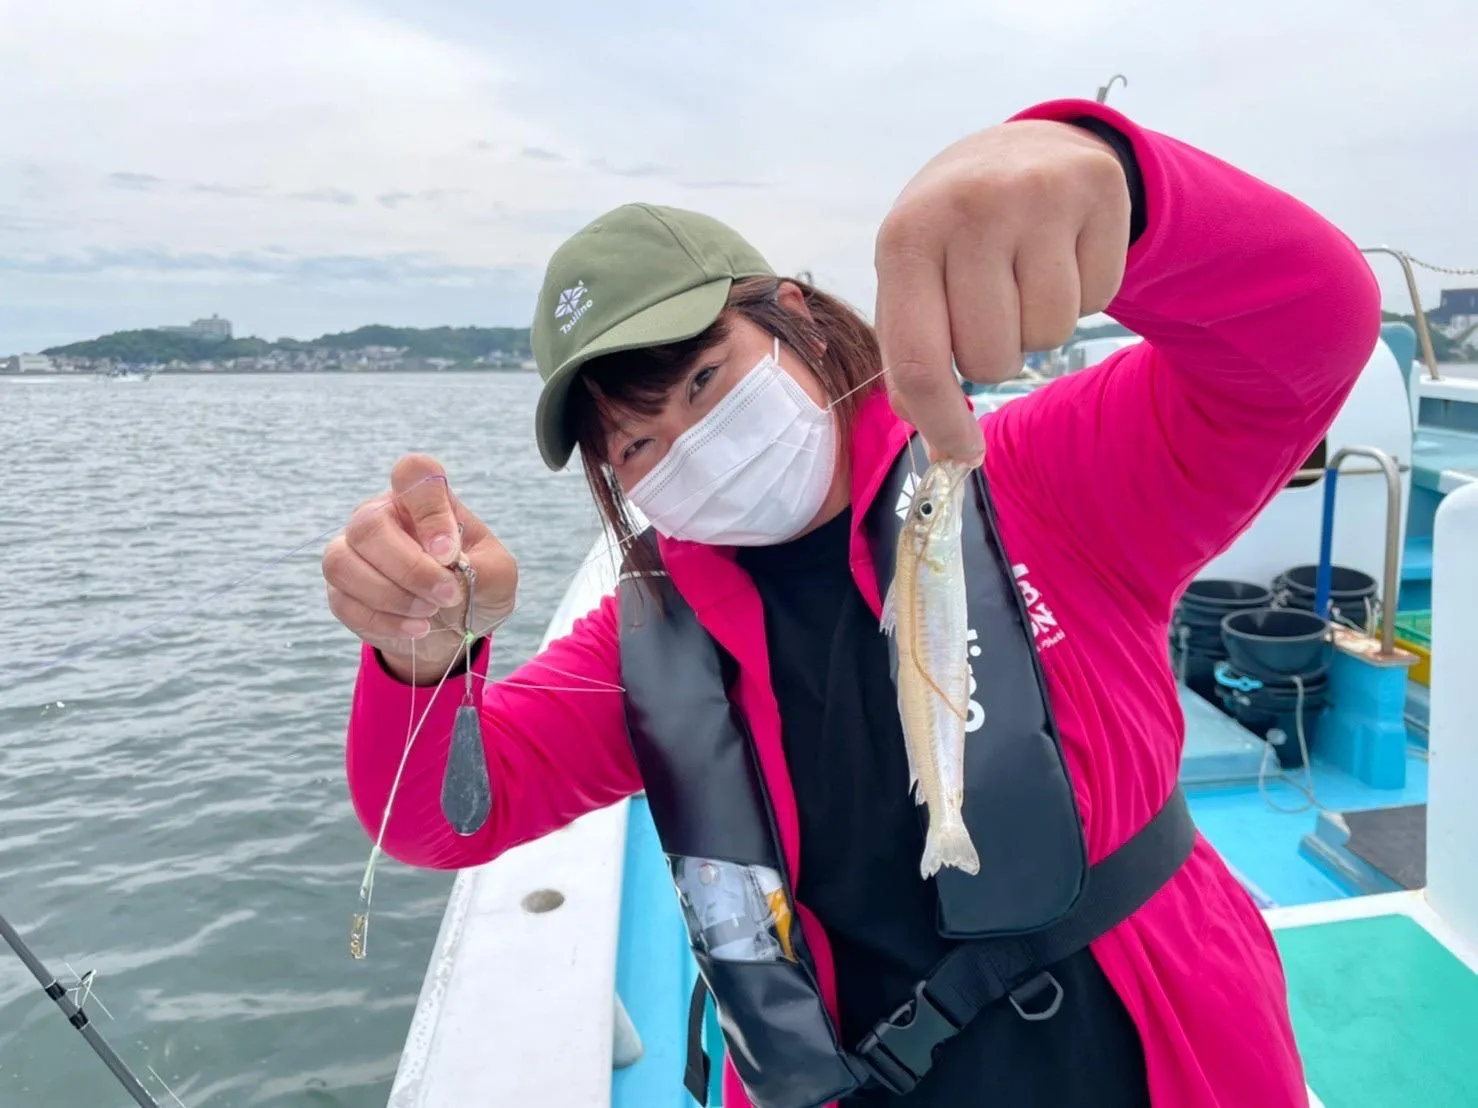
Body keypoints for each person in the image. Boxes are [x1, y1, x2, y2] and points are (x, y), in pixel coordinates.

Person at [325, 96, 1378, 1108]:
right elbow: (437, 815)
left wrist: (1118, 182)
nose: (688, 446)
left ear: (792, 318)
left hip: (1150, 1058)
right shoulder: (644, 647)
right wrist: (425, 653)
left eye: (700, 382)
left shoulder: (1032, 474)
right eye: (636, 443)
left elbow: (1308, 330)